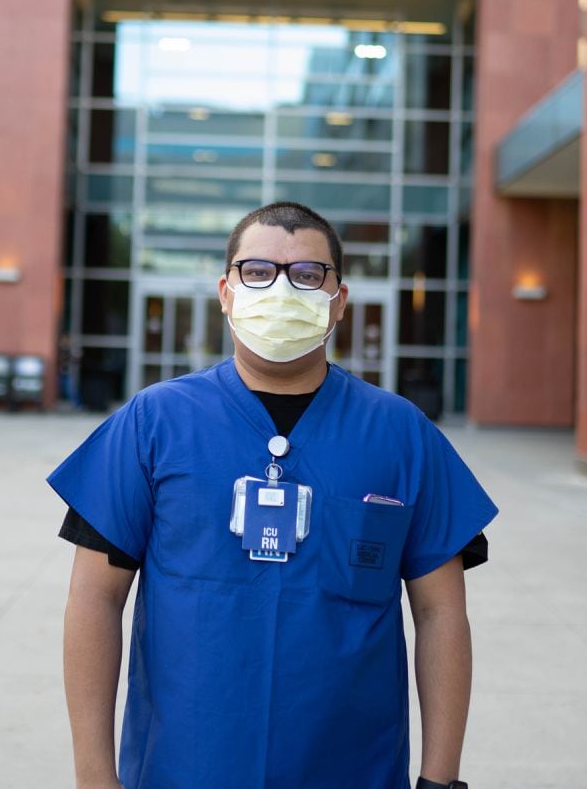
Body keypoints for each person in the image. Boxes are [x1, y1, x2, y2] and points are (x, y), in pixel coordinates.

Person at [49, 201, 496, 789]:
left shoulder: (401, 434)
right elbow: (94, 601)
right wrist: (93, 777)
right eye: (256, 271)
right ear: (226, 292)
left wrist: (441, 780)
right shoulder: (153, 424)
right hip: (181, 767)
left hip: (351, 768)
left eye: (308, 274)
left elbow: (441, 614)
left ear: (339, 299)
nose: (281, 289)